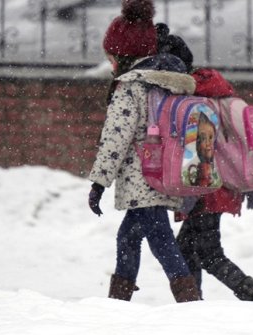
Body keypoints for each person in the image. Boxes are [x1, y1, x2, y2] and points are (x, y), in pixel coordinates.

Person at [156, 23, 253, 302]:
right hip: (221, 183)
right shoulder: (216, 90)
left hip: (208, 185)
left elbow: (202, 148)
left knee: (210, 254)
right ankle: (194, 306)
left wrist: (190, 191)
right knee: (187, 247)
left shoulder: (194, 97)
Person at [87, 0, 201, 303]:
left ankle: (191, 303)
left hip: (143, 176)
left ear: (122, 55)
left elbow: (116, 138)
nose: (110, 62)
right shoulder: (169, 82)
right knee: (128, 237)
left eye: (111, 55)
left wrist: (99, 182)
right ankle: (118, 303)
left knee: (161, 240)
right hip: (167, 169)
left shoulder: (131, 86)